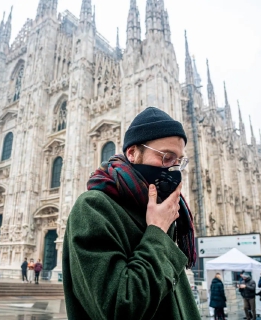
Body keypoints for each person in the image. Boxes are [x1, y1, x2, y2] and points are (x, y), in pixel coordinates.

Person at [62, 107, 199, 319]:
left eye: (179, 161)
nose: (174, 169)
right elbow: (119, 307)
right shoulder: (93, 208)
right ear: (132, 153)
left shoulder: (162, 210)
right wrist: (157, 231)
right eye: (167, 157)